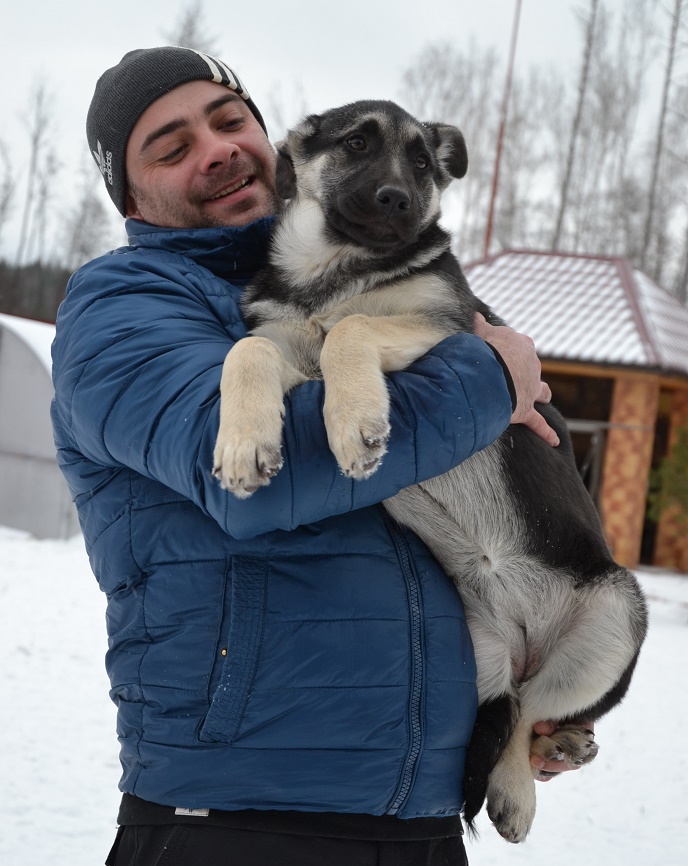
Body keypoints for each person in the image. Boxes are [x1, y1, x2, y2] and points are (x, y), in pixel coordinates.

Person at [51, 47, 583, 866]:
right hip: (233, 822)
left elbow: (523, 453)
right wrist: (485, 371)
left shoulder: (379, 272)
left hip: (423, 818)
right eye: (171, 145)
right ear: (130, 193)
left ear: (276, 145)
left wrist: (533, 681)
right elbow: (256, 483)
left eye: (230, 122)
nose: (217, 148)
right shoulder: (120, 308)